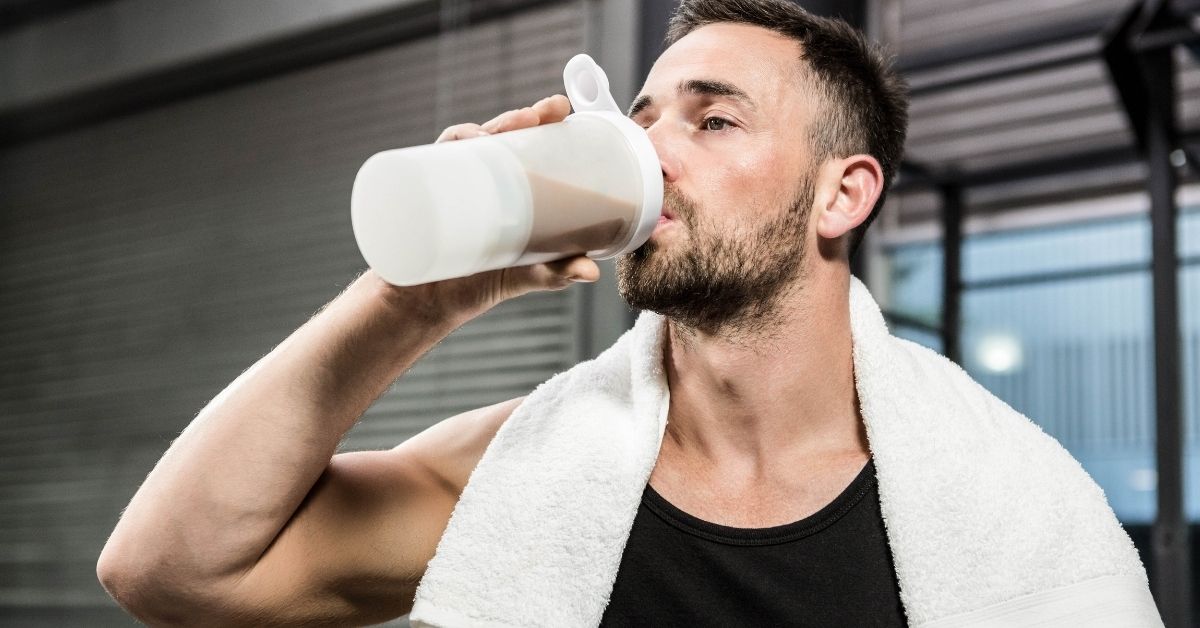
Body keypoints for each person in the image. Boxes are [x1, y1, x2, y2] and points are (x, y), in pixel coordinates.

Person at [97, 0, 1155, 626]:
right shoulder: (524, 467)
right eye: (640, 118)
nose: (649, 151)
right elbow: (171, 571)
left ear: (844, 193)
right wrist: (410, 297)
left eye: (715, 119)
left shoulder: (1006, 500)